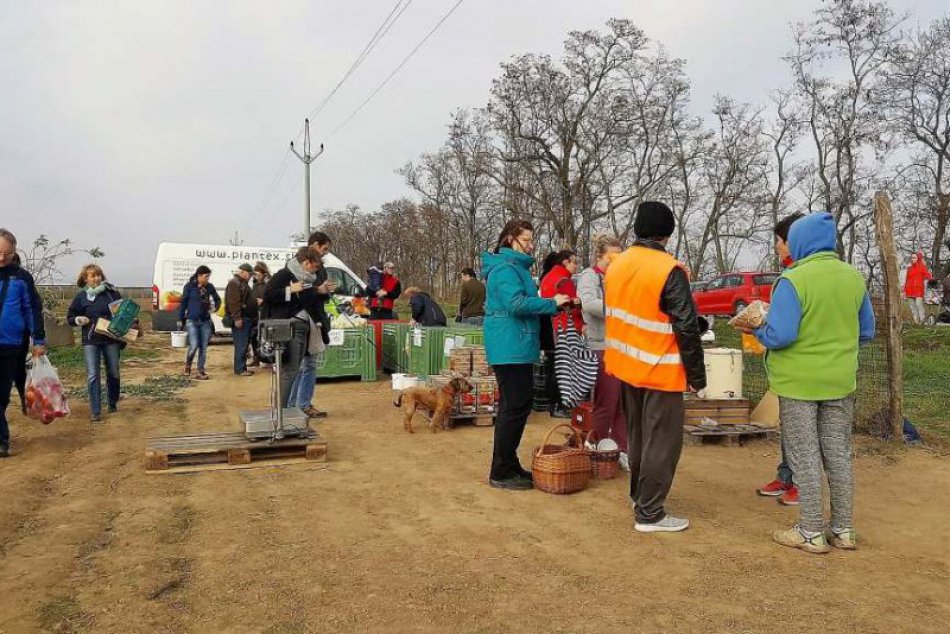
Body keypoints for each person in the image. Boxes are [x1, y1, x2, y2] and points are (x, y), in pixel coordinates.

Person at [751, 212, 875, 554]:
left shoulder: (793, 279)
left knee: (804, 455)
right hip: (840, 381)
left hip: (798, 383)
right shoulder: (853, 277)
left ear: (801, 242)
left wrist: (757, 330)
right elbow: (866, 331)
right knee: (838, 454)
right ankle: (843, 529)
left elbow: (781, 335)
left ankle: (810, 531)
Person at [604, 202, 706, 533]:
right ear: (668, 232)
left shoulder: (617, 264)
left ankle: (639, 497)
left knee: (638, 436)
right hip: (661, 369)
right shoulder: (669, 269)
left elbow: (637, 311)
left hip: (626, 365)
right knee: (661, 441)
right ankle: (650, 513)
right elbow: (685, 325)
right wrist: (697, 376)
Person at [482, 220, 570, 490]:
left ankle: (508, 464)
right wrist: (551, 303)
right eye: (526, 240)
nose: (531, 245)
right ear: (511, 239)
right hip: (509, 345)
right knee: (514, 407)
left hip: (516, 344)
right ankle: (501, 470)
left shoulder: (514, 268)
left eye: (532, 240)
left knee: (518, 406)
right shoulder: (504, 270)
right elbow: (516, 304)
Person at [756, 212, 805, 506]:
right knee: (790, 425)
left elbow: (784, 334)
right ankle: (787, 475)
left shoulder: (800, 276)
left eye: (779, 240)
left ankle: (802, 482)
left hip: (803, 367)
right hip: (787, 369)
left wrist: (760, 330)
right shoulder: (789, 273)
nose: (776, 246)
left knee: (803, 432)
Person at [576, 234, 627, 469]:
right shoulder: (590, 276)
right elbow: (588, 304)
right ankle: (594, 446)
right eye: (611, 257)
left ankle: (621, 448)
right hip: (601, 347)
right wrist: (619, 310)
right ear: (599, 256)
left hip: (622, 347)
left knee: (623, 403)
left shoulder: (620, 278)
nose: (615, 262)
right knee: (607, 401)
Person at [264, 247, 329, 411]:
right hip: (290, 327)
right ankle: (280, 412)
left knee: (293, 370)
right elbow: (268, 295)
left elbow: (305, 300)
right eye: (315, 266)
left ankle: (286, 410)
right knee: (289, 371)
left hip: (302, 327)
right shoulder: (285, 274)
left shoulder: (305, 279)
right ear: (306, 263)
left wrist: (319, 291)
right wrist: (289, 290)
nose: (316, 271)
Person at [0, 228, 46, 458]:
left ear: (14, 252)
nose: (2, 258)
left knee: (0, 394)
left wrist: (38, 339)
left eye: (7, 254)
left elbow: (32, 309)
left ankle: (1, 441)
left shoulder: (21, 277)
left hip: (10, 344)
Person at [66, 264, 128, 422]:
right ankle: (95, 410)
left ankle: (112, 401)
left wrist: (131, 324)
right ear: (85, 279)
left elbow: (124, 313)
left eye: (98, 275)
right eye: (92, 276)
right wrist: (78, 319)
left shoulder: (112, 293)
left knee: (113, 371)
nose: (96, 278)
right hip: (91, 339)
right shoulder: (81, 297)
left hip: (111, 338)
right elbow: (70, 317)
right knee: (93, 374)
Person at [286, 232, 336, 419]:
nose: (325, 253)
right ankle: (294, 406)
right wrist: (318, 290)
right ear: (315, 245)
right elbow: (299, 294)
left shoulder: (321, 268)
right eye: (324, 249)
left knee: (309, 364)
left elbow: (316, 294)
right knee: (299, 366)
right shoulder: (293, 267)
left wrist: (326, 291)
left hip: (315, 318)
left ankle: (301, 404)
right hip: (302, 319)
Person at [539, 249, 583, 418]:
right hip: (563, 328)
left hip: (548, 327)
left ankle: (552, 405)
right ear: (565, 262)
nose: (576, 266)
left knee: (552, 367)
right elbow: (573, 309)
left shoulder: (547, 277)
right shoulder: (564, 280)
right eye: (574, 262)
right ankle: (559, 405)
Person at [177, 265, 220, 380]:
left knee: (203, 347)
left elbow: (217, 299)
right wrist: (180, 319)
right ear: (199, 276)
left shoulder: (209, 287)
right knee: (194, 345)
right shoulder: (189, 287)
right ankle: (188, 365)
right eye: (206, 276)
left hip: (205, 321)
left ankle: (200, 370)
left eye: (208, 277)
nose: (207, 279)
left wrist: (215, 308)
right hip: (192, 321)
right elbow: (183, 303)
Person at [10, 253, 32, 415]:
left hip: (20, 333)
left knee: (18, 369)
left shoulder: (24, 278)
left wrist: (36, 334)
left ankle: (24, 400)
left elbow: (31, 306)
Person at [225, 263, 257, 377]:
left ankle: (242, 367)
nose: (250, 276)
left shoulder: (242, 283)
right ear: (243, 272)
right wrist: (237, 318)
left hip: (246, 318)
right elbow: (234, 303)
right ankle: (240, 369)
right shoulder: (235, 283)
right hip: (241, 319)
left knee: (244, 344)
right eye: (249, 274)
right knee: (241, 344)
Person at [248, 261, 271, 368]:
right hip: (256, 314)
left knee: (268, 337)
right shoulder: (255, 284)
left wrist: (263, 300)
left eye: (258, 275)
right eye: (255, 275)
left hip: (267, 314)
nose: (257, 277)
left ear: (264, 274)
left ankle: (270, 359)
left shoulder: (269, 284)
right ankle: (256, 358)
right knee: (254, 337)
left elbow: (274, 297)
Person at [904, 251, 932, 325]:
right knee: (912, 307)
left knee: (919, 305)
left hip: (918, 290)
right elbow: (907, 279)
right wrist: (904, 290)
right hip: (909, 290)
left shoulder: (922, 267)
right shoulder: (909, 268)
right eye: (912, 258)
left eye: (914, 258)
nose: (912, 259)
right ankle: (916, 322)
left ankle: (922, 322)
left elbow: (928, 275)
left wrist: (930, 279)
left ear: (918, 258)